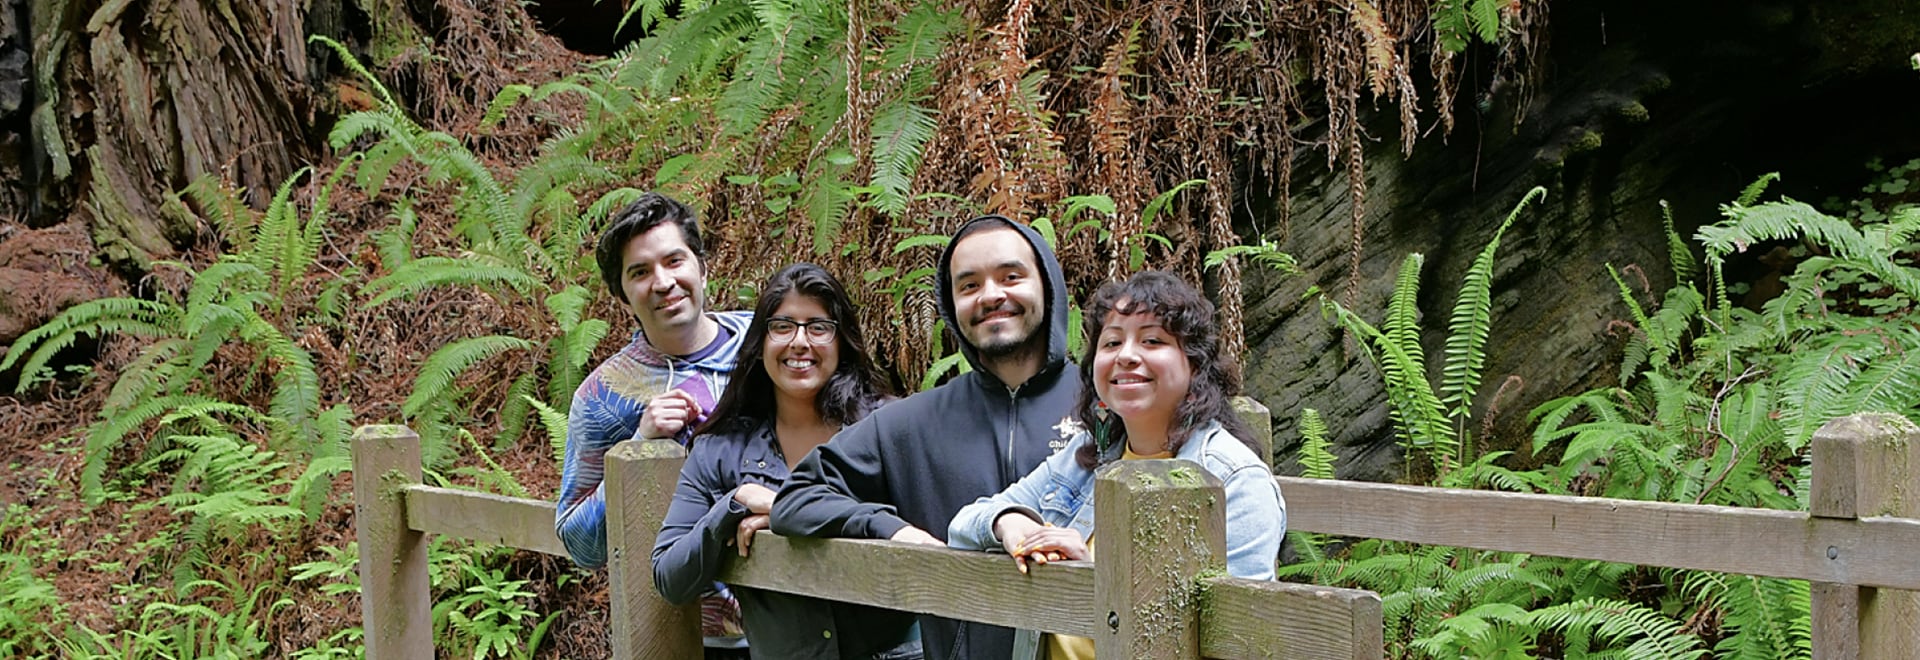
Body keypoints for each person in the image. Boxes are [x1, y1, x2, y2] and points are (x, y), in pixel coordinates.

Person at [771, 215, 1084, 660]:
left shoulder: (1108, 409)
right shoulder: (911, 424)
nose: (992, 295)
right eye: (969, 285)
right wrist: (892, 530)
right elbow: (797, 497)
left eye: (1011, 277)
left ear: (1047, 286)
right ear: (951, 305)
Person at [946, 270, 1286, 660]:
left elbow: (1241, 638)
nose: (1125, 355)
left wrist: (1096, 572)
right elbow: (964, 523)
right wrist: (1013, 524)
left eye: (1152, 340)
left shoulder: (1236, 480)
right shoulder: (1086, 458)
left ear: (1195, 365)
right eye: (1111, 342)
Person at [652, 263, 922, 659]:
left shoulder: (886, 429)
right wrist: (736, 504)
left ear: (841, 341)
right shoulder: (721, 450)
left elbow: (928, 536)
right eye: (782, 326)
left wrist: (787, 515)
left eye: (818, 327)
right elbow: (670, 577)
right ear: (760, 343)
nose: (800, 341)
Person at [555, 192, 754, 654]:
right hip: (690, 638)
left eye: (674, 260)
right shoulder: (604, 395)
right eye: (640, 272)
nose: (663, 282)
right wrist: (639, 447)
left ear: (702, 267)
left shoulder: (769, 345)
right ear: (623, 295)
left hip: (805, 619)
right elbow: (579, 543)